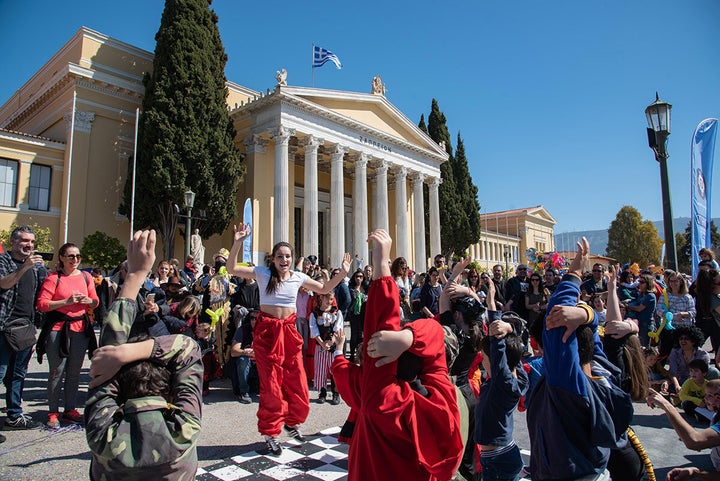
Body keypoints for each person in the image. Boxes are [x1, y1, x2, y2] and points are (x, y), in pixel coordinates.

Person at [331, 228, 463, 481]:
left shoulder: (382, 400)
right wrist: (409, 338)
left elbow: (349, 369)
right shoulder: (442, 402)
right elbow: (436, 336)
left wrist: (339, 352)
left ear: (386, 361)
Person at [85, 229, 203, 480]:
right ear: (170, 388)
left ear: (117, 384)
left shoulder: (103, 436)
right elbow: (189, 347)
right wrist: (125, 353)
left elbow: (105, 361)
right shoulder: (183, 430)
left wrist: (135, 275)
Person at [228, 223, 351, 455]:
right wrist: (237, 242)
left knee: (298, 382)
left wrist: (343, 273)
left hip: (289, 332)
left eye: (287, 256)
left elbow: (324, 288)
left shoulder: (298, 277)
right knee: (272, 385)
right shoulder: (263, 273)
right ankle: (270, 432)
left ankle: (292, 422)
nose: (284, 260)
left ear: (293, 259)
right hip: (267, 333)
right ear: (273, 259)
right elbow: (232, 268)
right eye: (279, 256)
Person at [527, 237, 633, 480]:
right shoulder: (603, 369)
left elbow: (556, 316)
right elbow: (590, 333)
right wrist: (587, 314)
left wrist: (575, 272)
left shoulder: (567, 384)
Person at [36, 242, 99, 429]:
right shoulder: (53, 278)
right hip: (57, 329)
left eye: (78, 256)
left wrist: (90, 301)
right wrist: (66, 301)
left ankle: (69, 409)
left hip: (80, 329)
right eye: (71, 256)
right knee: (57, 371)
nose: (75, 260)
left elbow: (95, 301)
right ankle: (53, 411)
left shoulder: (86, 277)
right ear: (62, 258)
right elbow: (42, 304)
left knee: (74, 372)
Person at [0, 226, 47, 435]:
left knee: (17, 375)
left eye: (31, 242)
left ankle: (14, 415)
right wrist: (24, 268)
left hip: (25, 328)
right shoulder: (4, 261)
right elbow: (3, 284)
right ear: (13, 242)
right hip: (4, 326)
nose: (29, 245)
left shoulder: (35, 268)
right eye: (24, 241)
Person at [475, 308, 528, 481]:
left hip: (498, 460)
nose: (482, 362)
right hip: (499, 455)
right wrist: (510, 329)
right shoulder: (516, 379)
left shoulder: (503, 385)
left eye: (484, 358)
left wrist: (493, 313)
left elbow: (499, 354)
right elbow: (513, 356)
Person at [310, 291, 344, 405]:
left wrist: (330, 342)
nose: (329, 302)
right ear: (321, 298)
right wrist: (321, 343)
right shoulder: (315, 313)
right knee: (320, 369)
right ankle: (322, 392)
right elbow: (313, 329)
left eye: (331, 299)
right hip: (320, 346)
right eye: (327, 299)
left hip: (332, 345)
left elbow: (337, 327)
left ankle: (335, 393)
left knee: (334, 369)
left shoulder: (336, 312)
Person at [231, 308, 257, 404]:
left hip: (260, 362)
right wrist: (245, 352)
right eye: (252, 318)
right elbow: (234, 351)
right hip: (248, 361)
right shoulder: (242, 330)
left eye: (257, 318)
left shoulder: (266, 331)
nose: (253, 320)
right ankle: (244, 392)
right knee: (243, 360)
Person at [624, 273, 657, 346]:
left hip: (646, 324)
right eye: (639, 282)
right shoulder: (641, 294)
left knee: (644, 346)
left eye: (642, 282)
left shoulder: (650, 296)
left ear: (648, 284)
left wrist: (628, 306)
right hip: (638, 322)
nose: (640, 284)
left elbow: (639, 308)